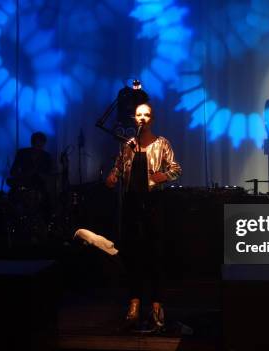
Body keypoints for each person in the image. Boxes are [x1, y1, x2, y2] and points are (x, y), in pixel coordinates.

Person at [105, 103, 181, 332]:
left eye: (146, 114)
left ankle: (157, 305)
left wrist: (163, 176)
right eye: (139, 114)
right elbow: (118, 167)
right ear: (133, 117)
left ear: (153, 118)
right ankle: (134, 303)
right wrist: (112, 176)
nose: (142, 118)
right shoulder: (128, 145)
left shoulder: (162, 143)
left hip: (154, 205)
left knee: (155, 254)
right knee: (132, 254)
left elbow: (177, 169)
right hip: (131, 205)